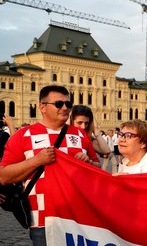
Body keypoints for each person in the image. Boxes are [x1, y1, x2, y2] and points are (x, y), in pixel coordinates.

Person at [0, 85, 100, 245]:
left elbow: (98, 168)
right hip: (43, 220)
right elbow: (3, 176)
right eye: (59, 104)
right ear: (42, 107)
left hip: (79, 217)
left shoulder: (79, 134)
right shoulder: (23, 135)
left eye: (69, 104)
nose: (65, 108)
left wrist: (88, 163)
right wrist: (36, 161)